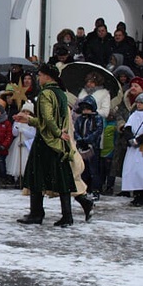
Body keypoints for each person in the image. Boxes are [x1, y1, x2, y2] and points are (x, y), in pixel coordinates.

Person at [15, 63, 77, 228]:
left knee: (36, 176)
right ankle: (67, 215)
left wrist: (56, 132)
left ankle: (37, 213)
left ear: (48, 76)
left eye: (40, 75)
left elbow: (47, 119)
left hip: (45, 141)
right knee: (62, 178)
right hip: (59, 142)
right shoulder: (62, 94)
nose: (38, 78)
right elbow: (51, 120)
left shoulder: (45, 93)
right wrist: (29, 120)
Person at [74, 95, 104, 200]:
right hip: (81, 147)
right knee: (83, 169)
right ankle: (85, 189)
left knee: (94, 170)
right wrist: (80, 139)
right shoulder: (80, 119)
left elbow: (97, 131)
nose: (85, 110)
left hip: (93, 147)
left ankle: (96, 190)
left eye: (87, 108)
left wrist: (87, 140)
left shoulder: (97, 118)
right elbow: (76, 130)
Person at [121, 92, 143, 206]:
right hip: (133, 147)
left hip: (142, 147)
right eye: (138, 102)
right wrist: (130, 138)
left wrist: (138, 140)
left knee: (142, 171)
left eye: (141, 103)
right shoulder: (134, 115)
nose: (139, 105)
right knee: (133, 170)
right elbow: (127, 127)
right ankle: (137, 194)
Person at [6, 101, 36, 183]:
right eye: (24, 111)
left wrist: (23, 131)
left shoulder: (32, 122)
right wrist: (16, 128)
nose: (26, 113)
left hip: (27, 143)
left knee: (25, 161)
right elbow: (14, 133)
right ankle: (18, 178)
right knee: (17, 160)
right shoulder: (18, 121)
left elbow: (32, 134)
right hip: (17, 142)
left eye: (28, 112)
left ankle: (24, 178)